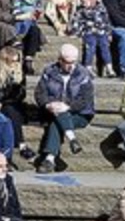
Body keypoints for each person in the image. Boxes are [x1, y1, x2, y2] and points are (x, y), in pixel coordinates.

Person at [34, 44, 95, 172]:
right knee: (58, 115)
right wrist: (48, 104)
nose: (70, 66)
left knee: (57, 121)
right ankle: (71, 139)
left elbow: (85, 100)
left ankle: (49, 159)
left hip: (80, 114)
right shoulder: (49, 71)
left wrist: (67, 106)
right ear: (60, 60)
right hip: (52, 111)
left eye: (73, 62)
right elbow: (40, 93)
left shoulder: (83, 74)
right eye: (67, 62)